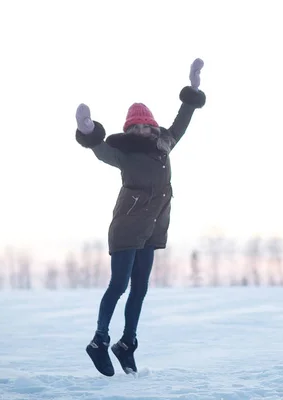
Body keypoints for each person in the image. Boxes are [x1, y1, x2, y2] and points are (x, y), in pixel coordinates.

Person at [74, 58, 206, 376]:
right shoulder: (124, 153)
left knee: (141, 288)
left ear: (153, 126)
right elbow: (101, 150)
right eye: (135, 126)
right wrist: (88, 131)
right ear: (129, 130)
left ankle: (127, 342)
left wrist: (193, 89)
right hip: (126, 227)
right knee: (118, 285)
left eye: (146, 124)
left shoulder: (165, 145)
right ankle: (99, 341)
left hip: (153, 229)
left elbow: (183, 120)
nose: (142, 129)